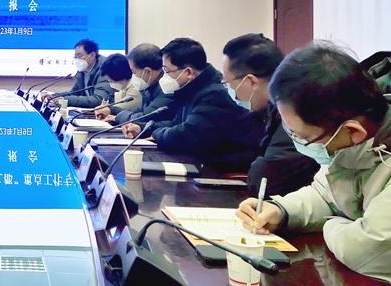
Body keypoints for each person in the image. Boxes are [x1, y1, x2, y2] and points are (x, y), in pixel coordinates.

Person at [236, 43, 391, 283]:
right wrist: (282, 211)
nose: (298, 143)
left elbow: (366, 250)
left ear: (353, 131)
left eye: (304, 138)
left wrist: (331, 224)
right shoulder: (348, 139)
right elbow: (325, 194)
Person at [126, 37, 258, 171]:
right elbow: (176, 123)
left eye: (166, 71)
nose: (164, 76)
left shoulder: (214, 95)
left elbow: (186, 135)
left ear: (188, 72)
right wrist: (143, 128)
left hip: (224, 169)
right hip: (204, 162)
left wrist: (156, 134)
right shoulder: (191, 88)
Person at [222, 34, 320, 196]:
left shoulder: (295, 110)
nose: (231, 92)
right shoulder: (266, 109)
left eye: (228, 84)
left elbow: (266, 180)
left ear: (251, 81)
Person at [110, 43, 175, 126]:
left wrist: (117, 117)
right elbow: (139, 112)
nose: (133, 76)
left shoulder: (166, 89)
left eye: (134, 72)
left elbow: (144, 118)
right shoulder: (149, 87)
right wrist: (112, 111)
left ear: (147, 71)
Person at [43, 39, 114, 108]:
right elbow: (75, 92)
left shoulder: (105, 69)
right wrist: (54, 96)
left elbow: (99, 99)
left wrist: (66, 100)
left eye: (80, 56)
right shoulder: (83, 69)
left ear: (92, 55)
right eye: (75, 56)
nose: (77, 59)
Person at [93, 53, 143, 123]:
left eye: (110, 81)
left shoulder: (136, 88)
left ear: (119, 78)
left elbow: (119, 109)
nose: (110, 83)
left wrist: (107, 109)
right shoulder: (123, 85)